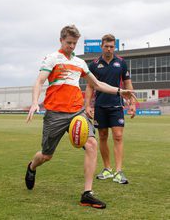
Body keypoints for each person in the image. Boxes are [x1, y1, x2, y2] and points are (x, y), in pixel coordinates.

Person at [25, 25, 135, 209]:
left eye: (74, 43)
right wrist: (35, 102)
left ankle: (87, 194)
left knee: (92, 145)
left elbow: (97, 84)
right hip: (55, 114)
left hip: (77, 112)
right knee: (46, 155)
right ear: (61, 40)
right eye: (69, 43)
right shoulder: (52, 58)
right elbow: (39, 81)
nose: (71, 46)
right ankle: (32, 167)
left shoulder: (80, 63)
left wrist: (119, 90)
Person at [85, 34, 136, 185]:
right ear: (101, 46)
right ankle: (107, 169)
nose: (109, 49)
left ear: (115, 47)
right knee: (102, 136)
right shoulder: (93, 65)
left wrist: (132, 103)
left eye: (112, 46)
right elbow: (89, 86)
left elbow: (127, 83)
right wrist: (87, 105)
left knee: (118, 136)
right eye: (106, 46)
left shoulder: (121, 63)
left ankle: (119, 171)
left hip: (116, 105)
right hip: (100, 105)